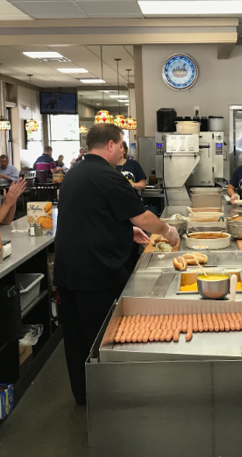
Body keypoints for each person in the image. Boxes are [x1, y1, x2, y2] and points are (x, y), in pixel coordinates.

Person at [54, 123, 180, 405]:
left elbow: (92, 216)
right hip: (96, 273)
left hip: (68, 271)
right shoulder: (107, 175)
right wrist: (168, 231)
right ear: (110, 144)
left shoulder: (74, 173)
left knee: (76, 338)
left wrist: (124, 231)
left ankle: (84, 395)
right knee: (106, 336)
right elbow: (143, 217)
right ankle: (110, 398)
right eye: (121, 144)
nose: (123, 151)